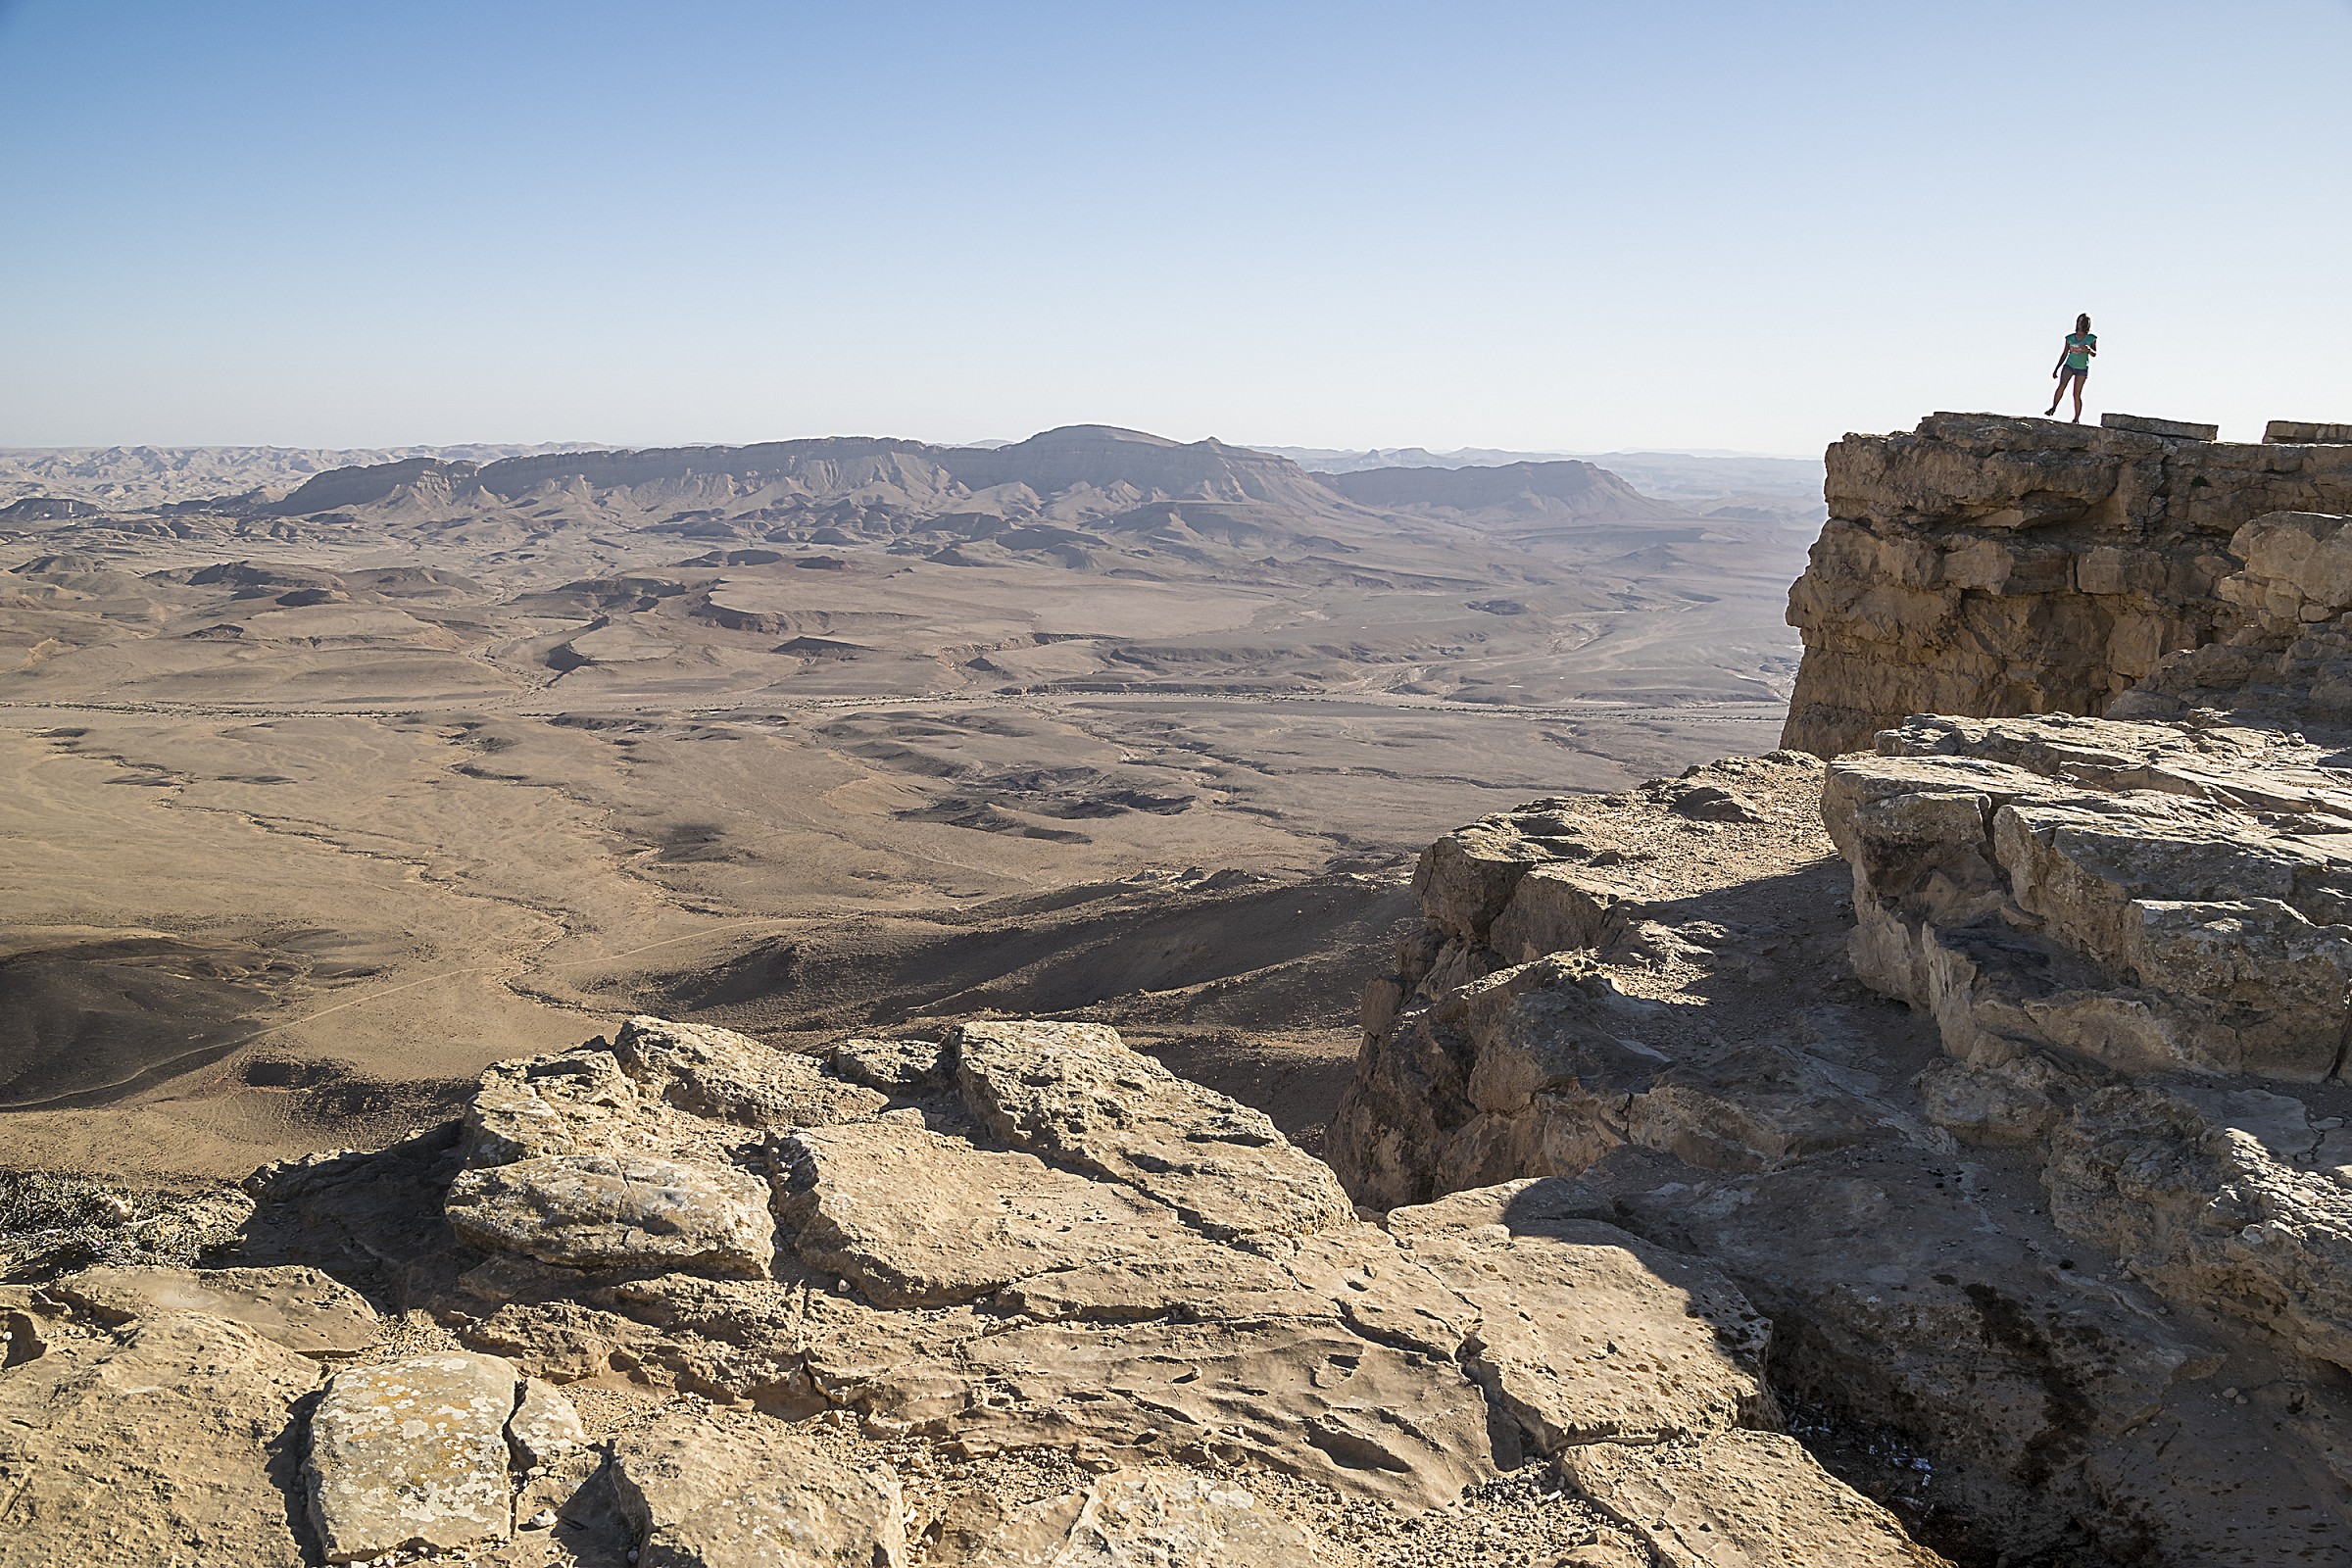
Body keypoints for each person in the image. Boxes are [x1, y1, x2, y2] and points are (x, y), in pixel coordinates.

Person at [2045, 314, 2096, 420]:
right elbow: (2064, 354)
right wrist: (2056, 369)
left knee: (2076, 394)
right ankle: (2053, 408)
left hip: (2082, 368)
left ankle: (2076, 418)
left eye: (2081, 321)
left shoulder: (2091, 338)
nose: (2079, 324)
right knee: (2062, 385)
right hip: (2069, 365)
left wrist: (2089, 350)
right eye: (2078, 321)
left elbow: (2094, 353)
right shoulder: (2070, 338)